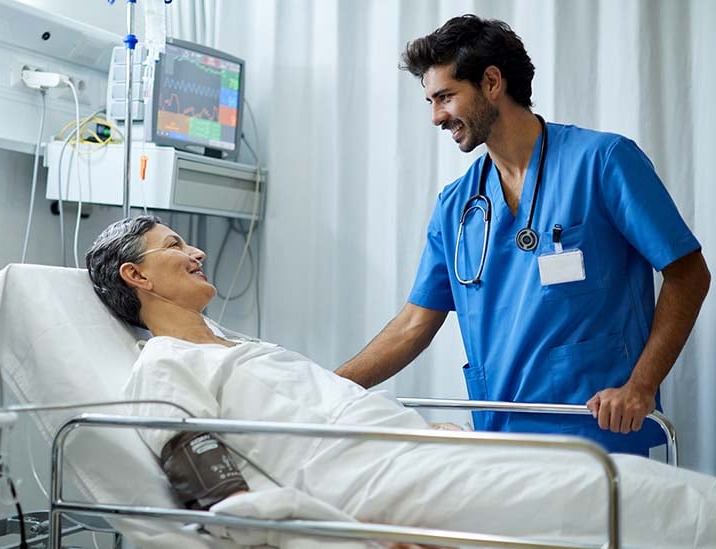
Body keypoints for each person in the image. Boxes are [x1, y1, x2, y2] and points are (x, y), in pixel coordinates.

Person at [84, 215, 716, 548]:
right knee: (622, 496)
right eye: (175, 245)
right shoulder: (163, 363)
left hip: (415, 449)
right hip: (377, 476)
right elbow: (215, 490)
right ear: (138, 277)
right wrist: (337, 536)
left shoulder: (242, 346)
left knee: (612, 486)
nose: (196, 252)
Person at [335, 14, 711, 456]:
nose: (436, 117)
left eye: (446, 97)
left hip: (598, 438)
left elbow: (689, 274)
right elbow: (413, 325)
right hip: (501, 441)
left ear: (492, 82)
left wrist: (641, 386)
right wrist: (326, 389)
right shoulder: (456, 205)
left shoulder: (603, 162)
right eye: (431, 101)